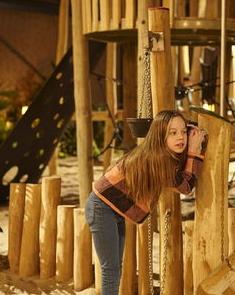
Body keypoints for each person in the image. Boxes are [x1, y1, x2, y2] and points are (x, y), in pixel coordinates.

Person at [85, 110, 206, 294]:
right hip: (101, 207)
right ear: (159, 135)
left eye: (183, 131)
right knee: (111, 269)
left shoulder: (162, 154)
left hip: (113, 208)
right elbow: (186, 187)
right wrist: (193, 152)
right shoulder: (158, 160)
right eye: (172, 133)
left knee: (115, 267)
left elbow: (180, 179)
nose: (180, 137)